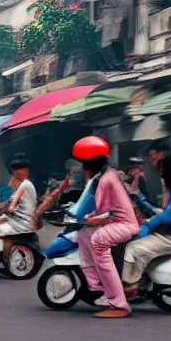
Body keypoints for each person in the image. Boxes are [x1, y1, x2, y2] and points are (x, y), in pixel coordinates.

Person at [71, 136, 140, 318]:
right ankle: (97, 286)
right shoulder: (107, 174)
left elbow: (103, 214)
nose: (82, 168)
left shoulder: (105, 180)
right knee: (83, 234)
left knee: (97, 240)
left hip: (124, 225)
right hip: (116, 222)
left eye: (83, 163)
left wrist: (88, 218)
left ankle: (117, 302)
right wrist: (89, 219)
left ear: (90, 163)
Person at [122, 156, 171, 296]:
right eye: (134, 167)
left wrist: (151, 222)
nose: (137, 170)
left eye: (161, 170)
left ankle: (130, 284)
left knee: (134, 248)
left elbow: (169, 212)